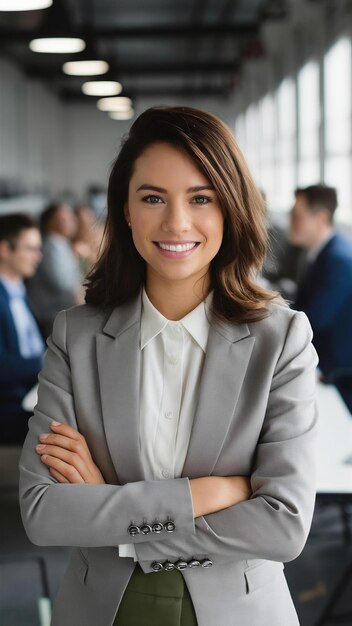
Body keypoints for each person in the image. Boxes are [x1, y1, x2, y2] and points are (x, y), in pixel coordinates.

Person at [19, 107, 318, 626]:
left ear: (230, 208)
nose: (176, 222)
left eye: (201, 198)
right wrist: (209, 494)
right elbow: (43, 513)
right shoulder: (77, 335)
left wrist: (110, 510)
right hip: (100, 611)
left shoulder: (282, 338)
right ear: (127, 211)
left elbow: (282, 528)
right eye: (153, 197)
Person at [290, 184, 352, 413]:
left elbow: (312, 320)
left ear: (321, 217)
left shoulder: (340, 261)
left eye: (297, 215)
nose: (291, 222)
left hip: (339, 377)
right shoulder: (320, 253)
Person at [0, 213, 44, 444]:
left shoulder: (18, 289)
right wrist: (44, 362)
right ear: (5, 249)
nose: (38, 256)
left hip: (31, 391)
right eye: (30, 249)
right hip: (11, 406)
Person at [26, 202, 84, 338]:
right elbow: (63, 284)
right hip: (54, 316)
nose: (73, 221)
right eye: (66, 218)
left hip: (61, 314)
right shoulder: (52, 246)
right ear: (51, 223)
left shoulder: (60, 243)